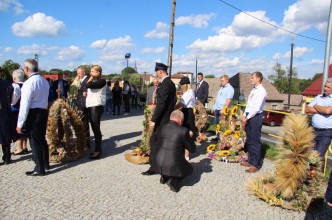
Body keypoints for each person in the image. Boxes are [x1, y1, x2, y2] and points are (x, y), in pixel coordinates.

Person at [141, 62, 177, 176]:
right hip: (166, 118)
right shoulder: (170, 83)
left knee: (155, 142)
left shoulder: (166, 84)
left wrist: (154, 119)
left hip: (162, 119)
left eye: (157, 73)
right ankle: (161, 165)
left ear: (161, 71)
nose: (157, 75)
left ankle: (154, 167)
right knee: (161, 143)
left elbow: (161, 104)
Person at [16, 59, 50, 176]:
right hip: (43, 111)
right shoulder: (44, 81)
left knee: (34, 140)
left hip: (33, 113)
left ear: (26, 69)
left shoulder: (29, 83)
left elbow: (24, 104)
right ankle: (46, 163)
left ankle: (39, 168)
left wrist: (20, 123)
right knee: (41, 138)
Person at [150, 110, 196, 192]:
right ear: (181, 120)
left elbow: (153, 143)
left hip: (157, 162)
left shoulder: (160, 127)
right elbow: (192, 149)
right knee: (189, 169)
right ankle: (174, 181)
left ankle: (164, 176)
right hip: (172, 164)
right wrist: (190, 137)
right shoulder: (183, 131)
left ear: (171, 118)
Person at [240, 71, 267, 173]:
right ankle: (251, 160)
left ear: (258, 79)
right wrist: (244, 115)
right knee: (250, 140)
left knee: (255, 141)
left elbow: (256, 108)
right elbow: (249, 105)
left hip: (255, 117)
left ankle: (256, 164)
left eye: (252, 77)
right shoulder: (253, 90)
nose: (251, 79)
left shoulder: (261, 91)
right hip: (249, 116)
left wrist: (247, 117)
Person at [305, 78, 332, 159]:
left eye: (328, 87)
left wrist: (316, 106)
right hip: (313, 130)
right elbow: (307, 109)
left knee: (317, 158)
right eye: (325, 86)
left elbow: (328, 111)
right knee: (309, 155)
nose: (325, 88)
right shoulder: (318, 97)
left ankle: (316, 171)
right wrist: (322, 109)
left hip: (326, 133)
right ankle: (309, 171)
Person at [86, 65, 106, 159]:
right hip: (91, 105)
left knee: (96, 128)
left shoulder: (102, 81)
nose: (91, 73)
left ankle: (98, 151)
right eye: (90, 71)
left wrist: (90, 78)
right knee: (94, 128)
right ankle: (97, 149)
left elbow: (88, 85)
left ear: (98, 72)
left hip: (96, 106)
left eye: (93, 71)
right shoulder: (94, 81)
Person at [174, 76, 197, 161]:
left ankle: (186, 155)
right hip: (185, 111)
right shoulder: (187, 92)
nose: (181, 87)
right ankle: (184, 152)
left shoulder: (189, 92)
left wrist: (173, 108)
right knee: (184, 133)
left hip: (188, 113)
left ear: (186, 85)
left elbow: (181, 104)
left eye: (182, 85)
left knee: (187, 133)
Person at [0, 70, 18, 164]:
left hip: (4, 111)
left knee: (4, 134)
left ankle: (6, 157)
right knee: (5, 134)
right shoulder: (7, 83)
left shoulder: (6, 83)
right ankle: (7, 157)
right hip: (5, 111)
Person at [10, 69, 28, 155]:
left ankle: (19, 148)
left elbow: (14, 99)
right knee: (25, 128)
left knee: (18, 128)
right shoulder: (26, 85)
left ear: (14, 78)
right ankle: (25, 146)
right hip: (26, 109)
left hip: (17, 110)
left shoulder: (15, 86)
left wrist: (11, 104)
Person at [212, 75, 234, 140]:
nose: (221, 82)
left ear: (227, 80)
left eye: (223, 81)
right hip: (217, 108)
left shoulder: (230, 88)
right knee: (217, 124)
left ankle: (223, 139)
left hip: (223, 110)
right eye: (221, 81)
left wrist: (224, 109)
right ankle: (218, 137)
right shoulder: (222, 88)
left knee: (223, 125)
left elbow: (228, 99)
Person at [76, 66, 90, 149]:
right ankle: (83, 141)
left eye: (79, 73)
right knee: (82, 123)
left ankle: (87, 143)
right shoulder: (80, 80)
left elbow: (87, 90)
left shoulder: (87, 79)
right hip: (79, 104)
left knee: (85, 124)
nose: (78, 75)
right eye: (77, 73)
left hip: (84, 104)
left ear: (83, 73)